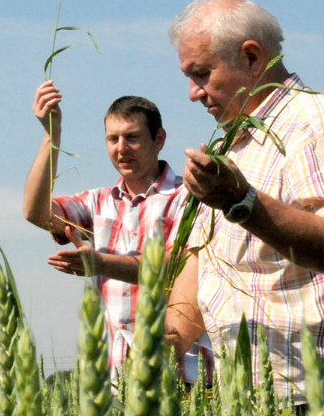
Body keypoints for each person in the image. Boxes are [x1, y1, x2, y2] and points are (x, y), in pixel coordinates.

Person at [162, 0, 324, 403]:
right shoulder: (231, 147)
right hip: (244, 399)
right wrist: (165, 347)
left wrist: (243, 203)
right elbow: (204, 266)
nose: (193, 93)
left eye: (201, 74)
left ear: (252, 58)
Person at [23, 81, 212, 384]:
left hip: (183, 375)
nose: (121, 148)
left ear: (159, 139)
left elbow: (179, 267)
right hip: (115, 379)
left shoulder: (189, 198)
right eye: (112, 139)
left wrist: (102, 263)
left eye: (132, 137)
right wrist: (51, 134)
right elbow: (37, 213)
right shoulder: (97, 203)